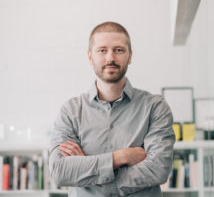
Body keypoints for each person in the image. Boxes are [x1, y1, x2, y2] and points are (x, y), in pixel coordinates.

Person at [49, 21, 175, 197]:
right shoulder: (70, 111)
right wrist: (121, 157)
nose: (110, 58)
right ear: (90, 57)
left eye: (118, 50)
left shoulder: (155, 107)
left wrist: (89, 173)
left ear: (130, 56)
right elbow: (60, 171)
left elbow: (158, 169)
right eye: (102, 50)